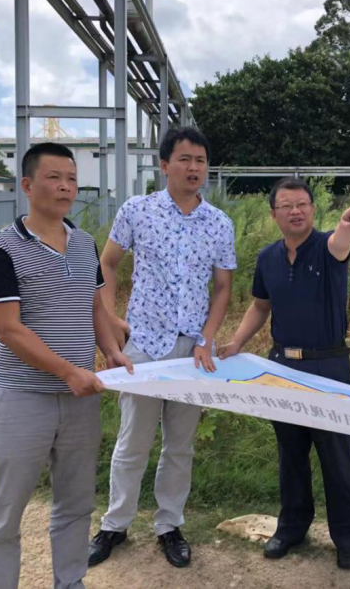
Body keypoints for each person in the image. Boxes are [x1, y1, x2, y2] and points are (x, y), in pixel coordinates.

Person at [0, 142, 132, 589]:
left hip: (79, 400)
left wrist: (111, 351)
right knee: (5, 513)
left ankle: (70, 581)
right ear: (27, 185)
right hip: (20, 398)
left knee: (76, 504)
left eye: (71, 179)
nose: (65, 187)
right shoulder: (0, 249)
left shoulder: (83, 243)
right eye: (54, 178)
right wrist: (67, 371)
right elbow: (9, 329)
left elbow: (94, 307)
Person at [87, 127, 236, 569]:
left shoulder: (219, 223)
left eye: (201, 160)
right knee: (133, 440)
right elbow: (107, 264)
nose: (194, 168)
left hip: (192, 352)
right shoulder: (138, 210)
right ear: (165, 164)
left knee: (180, 445)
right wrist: (111, 321)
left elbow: (223, 288)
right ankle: (115, 524)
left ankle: (169, 525)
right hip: (145, 346)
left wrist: (207, 339)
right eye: (185, 159)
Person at [218, 177, 350, 570]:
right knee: (291, 453)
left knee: (337, 455)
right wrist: (236, 343)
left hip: (328, 366)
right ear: (274, 215)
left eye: (302, 204)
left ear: (313, 210)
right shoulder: (268, 258)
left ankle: (348, 539)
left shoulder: (327, 247)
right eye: (286, 206)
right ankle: (291, 528)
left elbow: (343, 240)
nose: (295, 211)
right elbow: (260, 306)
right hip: (282, 365)